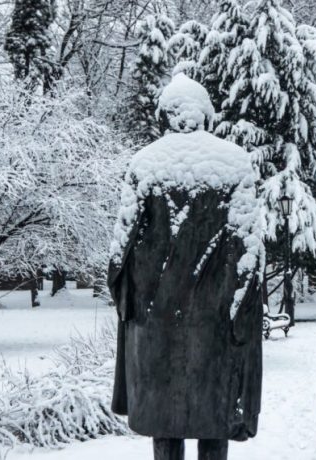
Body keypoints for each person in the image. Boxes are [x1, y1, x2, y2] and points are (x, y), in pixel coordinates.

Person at [108, 74, 265, 460]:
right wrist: (239, 313)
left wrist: (133, 304)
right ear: (206, 117)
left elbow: (118, 257)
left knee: (166, 427)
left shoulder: (144, 166)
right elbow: (251, 255)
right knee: (214, 424)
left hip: (157, 326)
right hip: (216, 328)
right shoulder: (236, 165)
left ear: (164, 116)